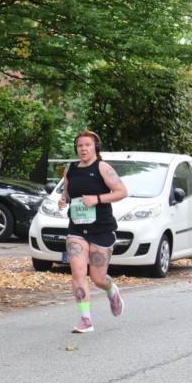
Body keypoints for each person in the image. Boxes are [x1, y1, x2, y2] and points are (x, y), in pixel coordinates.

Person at [58, 131, 128, 333]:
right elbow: (67, 194)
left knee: (98, 278)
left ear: (95, 147)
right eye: (80, 145)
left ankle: (111, 290)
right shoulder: (70, 169)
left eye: (87, 145)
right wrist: (63, 200)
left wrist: (96, 199)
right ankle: (86, 320)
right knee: (78, 273)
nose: (83, 149)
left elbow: (122, 192)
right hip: (76, 229)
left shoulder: (103, 168)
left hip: (101, 230)